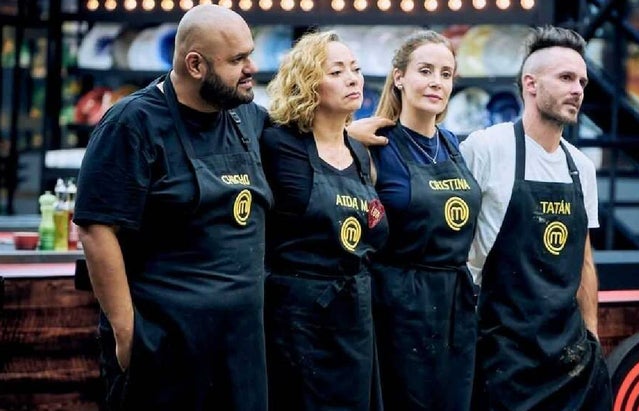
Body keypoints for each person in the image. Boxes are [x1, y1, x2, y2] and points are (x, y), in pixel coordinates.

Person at [73, 5, 272, 410]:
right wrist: (126, 333)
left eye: (249, 55)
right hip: (164, 346)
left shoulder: (247, 117)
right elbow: (96, 228)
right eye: (237, 60)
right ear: (195, 64)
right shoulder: (132, 123)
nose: (251, 68)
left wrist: (351, 134)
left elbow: (306, 142)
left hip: (241, 348)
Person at [459, 25, 612, 410]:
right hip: (502, 355)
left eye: (582, 81)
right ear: (530, 83)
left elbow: (584, 260)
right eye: (565, 78)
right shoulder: (486, 148)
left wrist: (592, 336)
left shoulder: (581, 167)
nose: (577, 89)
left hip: (570, 360)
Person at [261, 30, 389, 410]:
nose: (352, 79)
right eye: (336, 72)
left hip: (354, 318)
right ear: (306, 84)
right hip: (298, 321)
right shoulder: (278, 145)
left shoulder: (360, 154)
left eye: (356, 69)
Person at [369, 30, 482, 410]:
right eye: (426, 70)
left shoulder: (454, 145)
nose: (437, 82)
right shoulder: (376, 145)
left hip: (455, 304)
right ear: (399, 77)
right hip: (400, 305)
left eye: (446, 74)